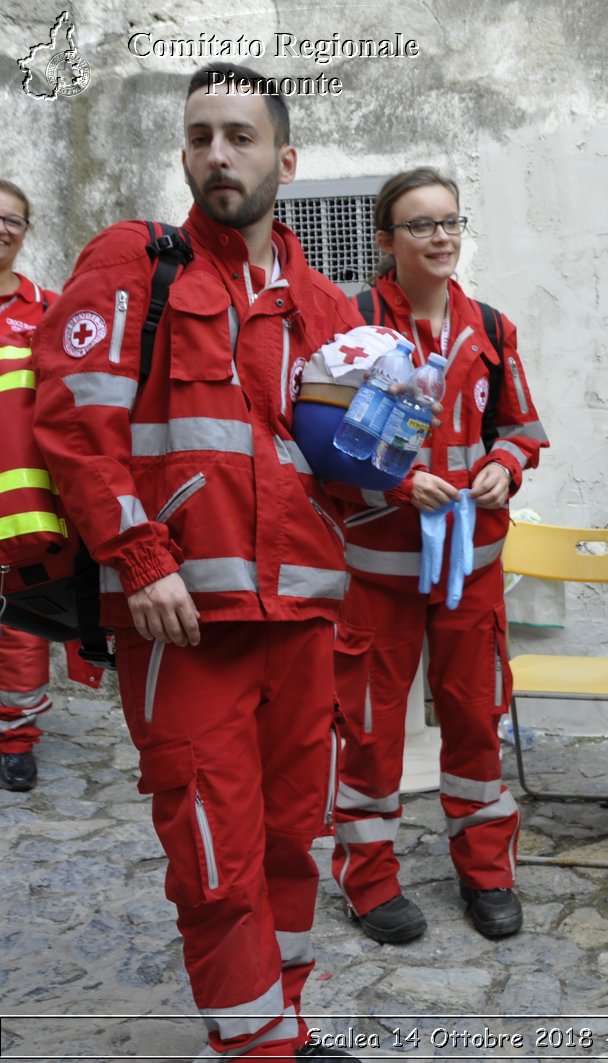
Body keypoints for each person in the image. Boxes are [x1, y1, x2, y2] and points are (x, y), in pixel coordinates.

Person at [32, 65, 366, 1060]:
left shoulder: (332, 312)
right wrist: (140, 556)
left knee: (289, 845)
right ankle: (253, 1048)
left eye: (241, 136)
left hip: (305, 623)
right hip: (184, 623)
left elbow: (351, 480)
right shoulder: (140, 263)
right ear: (184, 153)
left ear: (286, 160)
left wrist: (407, 457)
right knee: (216, 860)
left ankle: (284, 1028)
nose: (219, 153)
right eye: (201, 136)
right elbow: (73, 419)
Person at [328, 167, 547, 944]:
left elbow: (522, 428)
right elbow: (317, 444)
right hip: (375, 574)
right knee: (370, 728)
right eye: (421, 225)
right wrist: (396, 478)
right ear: (386, 240)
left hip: (471, 572)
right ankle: (369, 879)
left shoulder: (489, 325)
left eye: (451, 221)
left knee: (475, 720)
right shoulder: (349, 325)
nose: (442, 236)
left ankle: (486, 871)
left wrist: (505, 466)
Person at [0, 179, 105, 792]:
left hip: (30, 505)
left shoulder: (50, 310)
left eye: (14, 219)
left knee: (20, 619)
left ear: (26, 231)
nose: (3, 228)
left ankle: (15, 737)